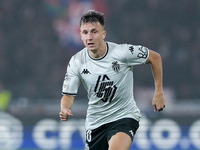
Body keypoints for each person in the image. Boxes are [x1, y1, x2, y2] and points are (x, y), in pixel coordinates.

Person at [59, 10, 166, 150]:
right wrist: (65, 108)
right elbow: (68, 95)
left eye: (94, 32)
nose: (89, 37)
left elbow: (155, 58)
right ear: (80, 35)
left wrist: (158, 92)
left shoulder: (122, 52)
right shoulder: (76, 61)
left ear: (103, 34)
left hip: (124, 116)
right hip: (95, 123)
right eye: (85, 32)